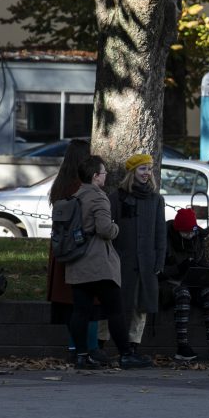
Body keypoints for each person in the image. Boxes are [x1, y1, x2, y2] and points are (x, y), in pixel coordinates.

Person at [65, 155, 152, 369]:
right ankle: (125, 354)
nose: (105, 176)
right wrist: (116, 228)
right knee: (115, 310)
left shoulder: (75, 196)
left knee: (80, 312)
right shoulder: (99, 197)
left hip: (77, 263)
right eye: (103, 173)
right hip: (99, 264)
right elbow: (105, 229)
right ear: (95, 176)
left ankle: (81, 355)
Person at [46, 139, 105, 364]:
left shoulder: (60, 184)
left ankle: (74, 347)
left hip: (61, 246)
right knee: (89, 303)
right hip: (81, 248)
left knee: (69, 304)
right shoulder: (83, 187)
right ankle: (89, 349)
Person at [105, 154, 166, 355]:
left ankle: (133, 345)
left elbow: (160, 233)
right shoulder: (117, 198)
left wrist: (159, 260)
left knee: (141, 306)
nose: (147, 173)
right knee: (119, 303)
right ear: (132, 172)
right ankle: (107, 343)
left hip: (146, 262)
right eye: (142, 169)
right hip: (122, 260)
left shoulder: (156, 199)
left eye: (149, 169)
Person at [162, 208, 209, 361]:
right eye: (185, 232)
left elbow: (204, 262)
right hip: (172, 283)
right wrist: (180, 267)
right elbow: (160, 270)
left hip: (194, 282)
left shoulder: (198, 237)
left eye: (192, 231)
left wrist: (204, 270)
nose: (190, 235)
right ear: (178, 230)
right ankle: (182, 346)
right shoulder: (165, 238)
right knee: (183, 294)